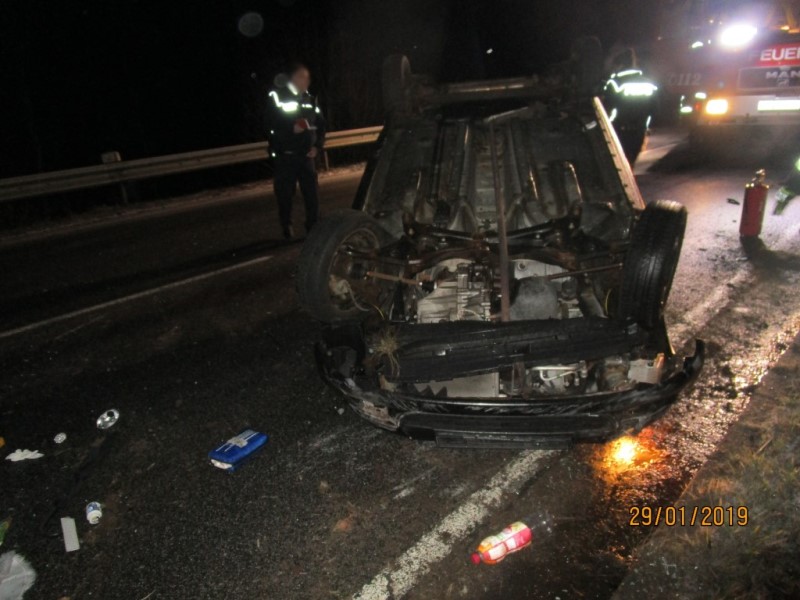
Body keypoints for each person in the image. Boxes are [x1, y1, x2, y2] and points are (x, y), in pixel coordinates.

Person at [266, 63, 326, 239]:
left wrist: (317, 146)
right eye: (301, 76)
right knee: (285, 195)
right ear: (292, 78)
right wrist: (290, 130)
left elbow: (321, 125)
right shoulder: (277, 97)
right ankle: (286, 225)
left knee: (312, 194)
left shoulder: (310, 99)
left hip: (306, 156)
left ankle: (313, 225)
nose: (305, 81)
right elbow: (270, 124)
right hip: (286, 156)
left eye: (307, 77)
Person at [602, 47, 658, 165]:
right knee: (630, 162)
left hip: (618, 130)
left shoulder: (615, 84)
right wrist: (647, 126)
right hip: (640, 130)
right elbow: (654, 109)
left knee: (618, 163)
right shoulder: (649, 83)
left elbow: (607, 108)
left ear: (619, 65)